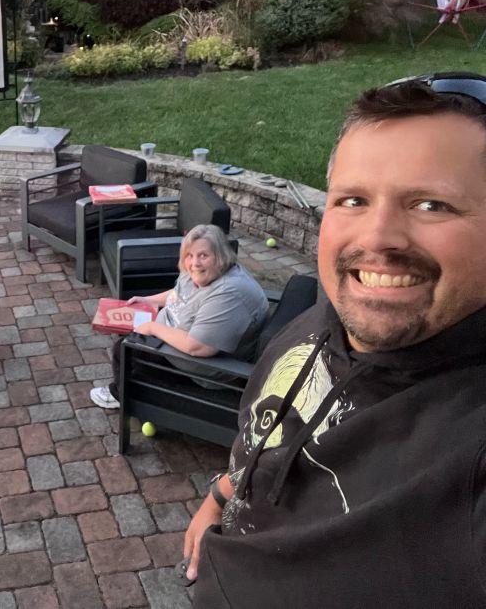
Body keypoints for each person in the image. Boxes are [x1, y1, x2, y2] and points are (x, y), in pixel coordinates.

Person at [182, 73, 486, 607]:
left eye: (432, 205)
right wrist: (219, 496)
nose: (376, 238)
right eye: (353, 200)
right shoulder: (322, 322)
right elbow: (263, 438)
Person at [90, 223, 269, 409]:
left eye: (203, 256)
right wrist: (149, 301)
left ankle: (120, 395)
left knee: (124, 349)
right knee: (129, 334)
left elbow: (197, 347)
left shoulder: (229, 294)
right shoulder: (203, 273)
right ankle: (132, 381)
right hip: (176, 335)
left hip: (201, 369)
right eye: (189, 256)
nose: (195, 263)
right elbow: (179, 293)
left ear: (220, 256)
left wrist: (153, 328)